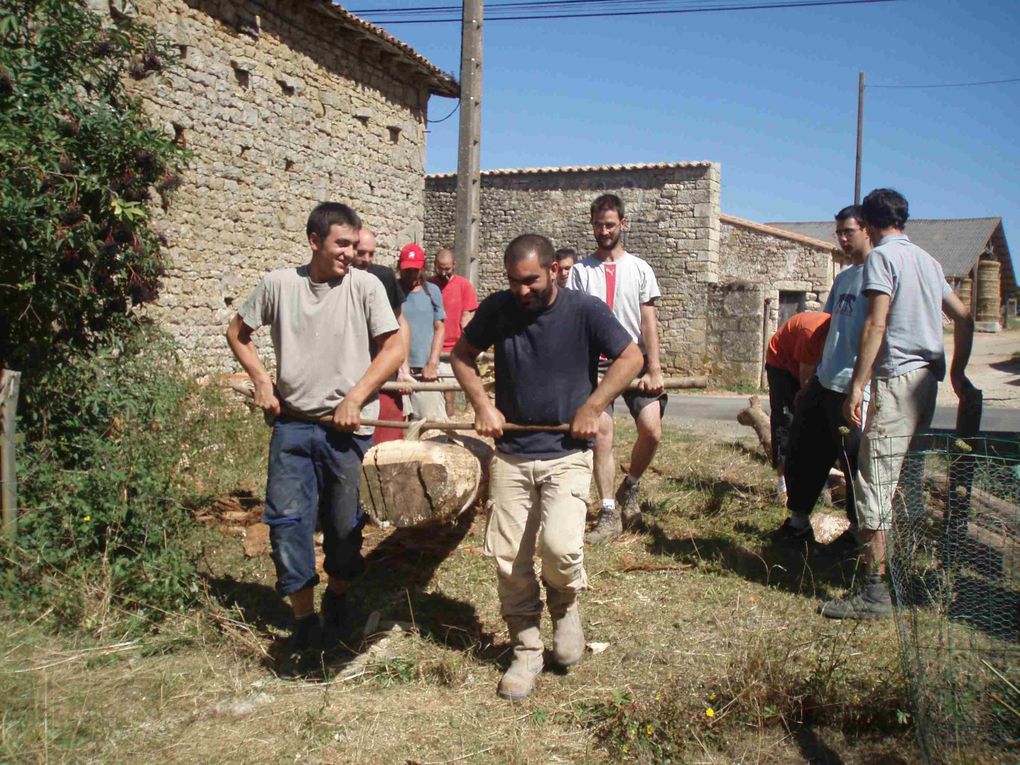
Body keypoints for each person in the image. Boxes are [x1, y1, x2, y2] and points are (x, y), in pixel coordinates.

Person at [451, 234, 642, 700]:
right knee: (508, 557)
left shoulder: (585, 310)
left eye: (531, 280)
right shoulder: (498, 309)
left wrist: (593, 406)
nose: (521, 290)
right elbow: (460, 356)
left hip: (567, 455)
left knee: (559, 549)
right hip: (513, 454)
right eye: (514, 281)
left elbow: (631, 357)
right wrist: (483, 405)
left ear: (554, 270)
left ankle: (564, 605)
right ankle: (526, 648)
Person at [225, 202, 403, 661]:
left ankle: (338, 594)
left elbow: (393, 349)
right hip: (293, 428)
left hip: (347, 433)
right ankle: (304, 620)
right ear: (314, 242)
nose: (350, 252)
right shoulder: (280, 285)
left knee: (345, 531)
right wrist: (263, 381)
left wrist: (355, 398)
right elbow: (237, 333)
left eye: (353, 243)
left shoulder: (365, 287)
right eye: (341, 244)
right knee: (287, 523)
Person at [820, 189, 974, 619]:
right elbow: (964, 316)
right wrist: (958, 373)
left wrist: (856, 385)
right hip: (929, 382)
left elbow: (875, 321)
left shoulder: (881, 260)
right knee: (905, 482)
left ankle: (875, 592)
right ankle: (901, 573)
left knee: (874, 484)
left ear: (868, 225)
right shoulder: (928, 261)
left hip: (898, 381)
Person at [772, 206, 872, 545]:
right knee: (803, 446)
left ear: (867, 231)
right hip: (825, 381)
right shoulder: (844, 278)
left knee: (852, 459)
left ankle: (858, 533)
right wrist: (810, 381)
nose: (843, 239)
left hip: (852, 386)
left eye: (849, 232)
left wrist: (860, 386)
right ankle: (799, 522)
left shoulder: (879, 275)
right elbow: (827, 330)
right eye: (839, 233)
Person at [570, 194, 666, 542]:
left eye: (610, 225)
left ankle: (631, 485)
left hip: (634, 362)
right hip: (595, 367)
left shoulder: (640, 268)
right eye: (598, 225)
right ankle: (608, 511)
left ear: (622, 225)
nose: (604, 231)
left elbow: (648, 320)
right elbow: (576, 321)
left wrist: (654, 368)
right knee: (602, 436)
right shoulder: (580, 272)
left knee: (652, 430)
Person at [763, 310, 830, 501]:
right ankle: (783, 487)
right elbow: (806, 383)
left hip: (805, 364)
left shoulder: (841, 337)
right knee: (787, 421)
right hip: (781, 364)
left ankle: (817, 480)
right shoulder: (811, 335)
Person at [353, 228, 411, 444]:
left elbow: (400, 322)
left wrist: (403, 368)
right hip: (348, 372)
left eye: (371, 253)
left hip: (382, 368)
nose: (366, 259)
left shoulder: (383, 277)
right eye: (361, 253)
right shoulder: (332, 279)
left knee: (386, 439)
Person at [398, 243, 447, 421]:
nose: (411, 274)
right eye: (407, 270)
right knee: (399, 428)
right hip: (397, 370)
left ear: (422, 268)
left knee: (428, 421)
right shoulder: (393, 291)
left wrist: (433, 363)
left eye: (415, 270)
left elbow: (439, 327)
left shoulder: (432, 291)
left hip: (424, 370)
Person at [429, 247, 479, 417]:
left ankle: (449, 433)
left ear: (454, 265)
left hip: (453, 348)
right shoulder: (428, 285)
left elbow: (467, 316)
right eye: (440, 268)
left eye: (447, 268)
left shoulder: (464, 285)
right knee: (433, 397)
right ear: (434, 265)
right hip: (432, 349)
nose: (443, 273)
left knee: (450, 397)